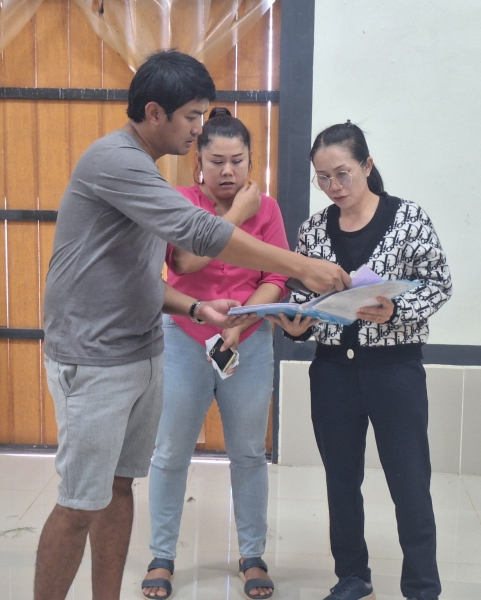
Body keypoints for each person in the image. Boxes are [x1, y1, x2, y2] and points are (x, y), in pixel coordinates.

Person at [34, 51, 349, 600]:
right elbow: (197, 237)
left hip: (141, 350)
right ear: (155, 113)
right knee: (81, 502)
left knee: (119, 487)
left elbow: (141, 279)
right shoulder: (118, 162)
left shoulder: (146, 170)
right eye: (192, 117)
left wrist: (198, 309)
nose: (199, 128)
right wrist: (303, 266)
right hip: (92, 357)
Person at [268, 122, 452, 600]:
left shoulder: (408, 218)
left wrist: (396, 311)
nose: (334, 186)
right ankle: (352, 575)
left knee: (410, 481)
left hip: (394, 370)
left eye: (343, 173)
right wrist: (296, 324)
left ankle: (422, 586)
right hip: (333, 371)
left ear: (367, 165)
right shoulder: (313, 230)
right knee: (341, 479)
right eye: (323, 178)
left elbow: (439, 284)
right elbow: (302, 296)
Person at [142, 107, 283, 600]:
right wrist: (236, 215)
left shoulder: (270, 209)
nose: (227, 171)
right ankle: (162, 555)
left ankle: (252, 555)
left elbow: (276, 277)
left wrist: (242, 322)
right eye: (217, 161)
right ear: (197, 162)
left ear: (251, 162)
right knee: (170, 451)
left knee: (248, 453)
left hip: (249, 340)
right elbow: (182, 262)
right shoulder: (181, 202)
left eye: (237, 161)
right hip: (184, 337)